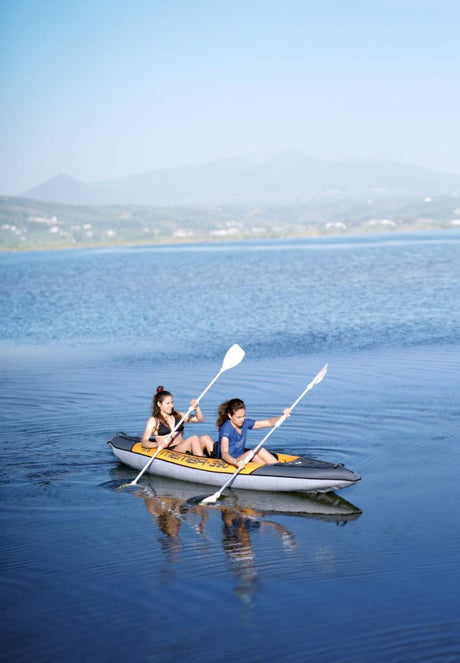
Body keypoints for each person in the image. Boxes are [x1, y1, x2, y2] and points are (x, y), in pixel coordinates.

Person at [216, 398, 291, 468]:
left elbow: (269, 423)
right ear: (230, 415)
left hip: (241, 456)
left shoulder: (245, 423)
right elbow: (225, 454)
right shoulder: (226, 429)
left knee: (259, 449)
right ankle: (269, 471)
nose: (242, 419)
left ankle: (278, 467)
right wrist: (236, 462)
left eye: (244, 416)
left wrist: (283, 416)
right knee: (251, 454)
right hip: (230, 461)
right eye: (239, 417)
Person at [141, 386, 214, 456]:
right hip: (170, 451)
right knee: (194, 438)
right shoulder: (153, 420)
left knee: (205, 438)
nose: (171, 406)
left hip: (183, 447)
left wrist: (196, 408)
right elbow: (144, 442)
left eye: (172, 402)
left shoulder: (179, 415)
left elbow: (199, 419)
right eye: (168, 403)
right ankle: (200, 465)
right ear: (159, 404)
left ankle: (218, 459)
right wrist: (157, 444)